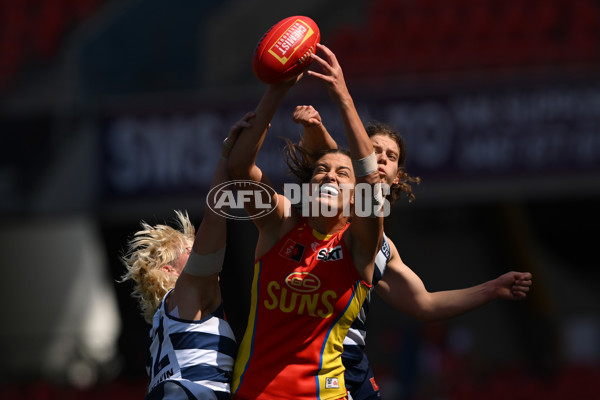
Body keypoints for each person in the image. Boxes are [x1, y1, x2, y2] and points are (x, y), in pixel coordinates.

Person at [293, 104, 534, 400]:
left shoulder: (382, 246)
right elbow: (322, 156)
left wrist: (493, 288)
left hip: (348, 368)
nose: (380, 158)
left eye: (390, 156)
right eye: (373, 150)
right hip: (301, 365)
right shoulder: (328, 211)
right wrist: (315, 127)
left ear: (397, 176)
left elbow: (424, 304)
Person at [228, 43, 384, 400]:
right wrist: (278, 88)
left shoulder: (358, 245)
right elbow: (240, 170)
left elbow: (371, 182)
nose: (329, 177)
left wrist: (342, 96)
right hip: (253, 393)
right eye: (321, 171)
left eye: (342, 174)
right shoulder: (280, 223)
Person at [120, 114, 255, 399]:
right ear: (167, 271)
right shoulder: (186, 295)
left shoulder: (163, 323)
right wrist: (225, 158)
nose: (199, 252)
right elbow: (216, 218)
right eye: (189, 252)